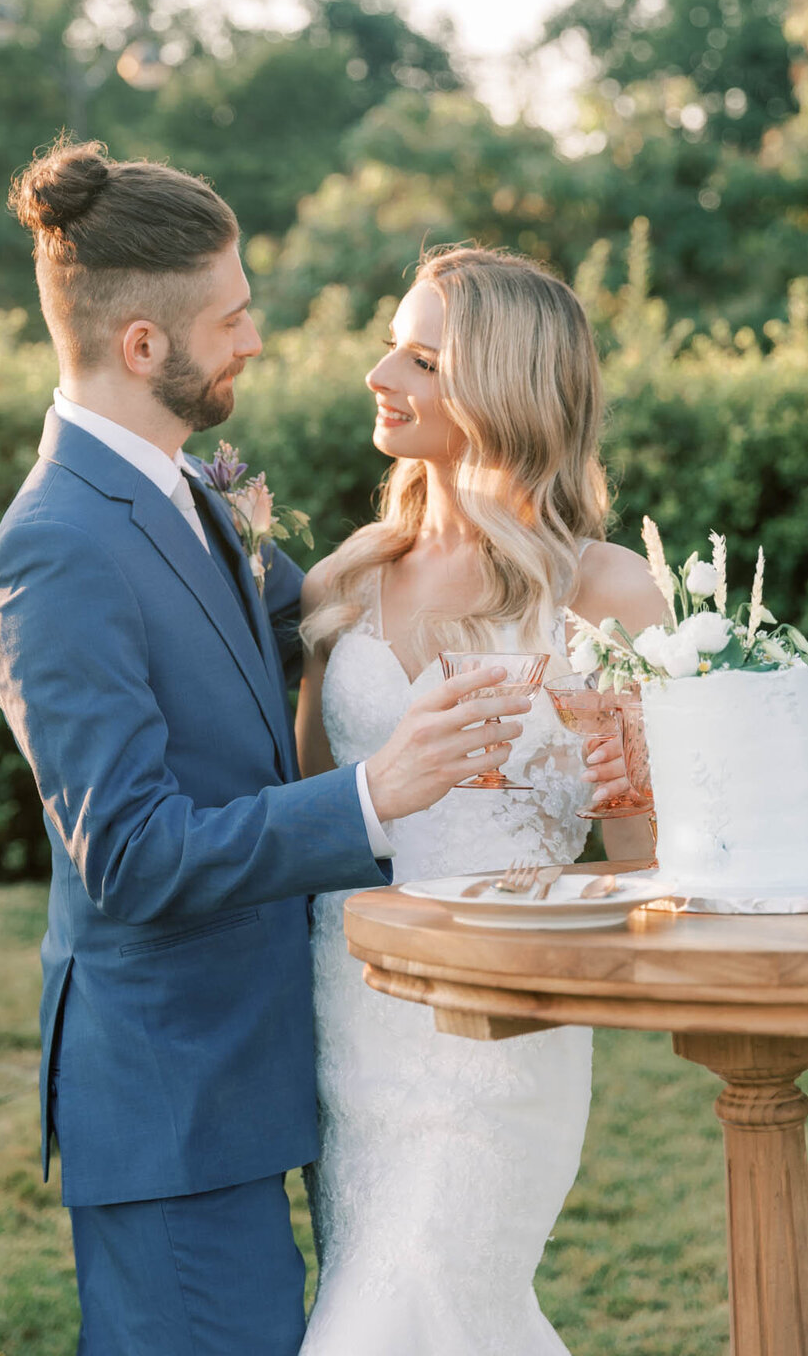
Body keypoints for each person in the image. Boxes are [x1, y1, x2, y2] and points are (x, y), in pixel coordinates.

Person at [0, 144, 533, 1356]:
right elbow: (129, 855)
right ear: (142, 346)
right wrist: (371, 797)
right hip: (169, 1097)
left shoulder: (191, 485)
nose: (256, 340)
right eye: (233, 318)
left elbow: (282, 629)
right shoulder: (57, 547)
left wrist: (382, 575)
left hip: (269, 1067)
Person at [295, 245, 668, 1355]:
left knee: (402, 1311)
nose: (381, 372)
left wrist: (625, 784)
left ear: (500, 389)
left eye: (420, 356)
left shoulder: (608, 593)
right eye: (391, 344)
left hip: (504, 1024)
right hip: (350, 1014)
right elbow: (310, 811)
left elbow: (653, 861)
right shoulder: (343, 580)